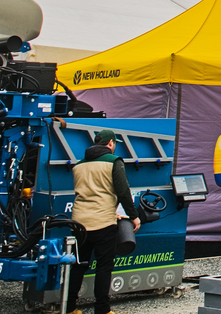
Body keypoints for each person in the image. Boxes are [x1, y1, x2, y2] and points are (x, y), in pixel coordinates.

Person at [65, 129, 141, 314]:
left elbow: (89, 192)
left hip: (79, 223)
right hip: (103, 223)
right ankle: (102, 309)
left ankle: (69, 308)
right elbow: (123, 192)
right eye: (114, 144)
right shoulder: (114, 162)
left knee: (78, 266)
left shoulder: (79, 165)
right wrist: (133, 216)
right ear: (110, 143)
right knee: (104, 267)